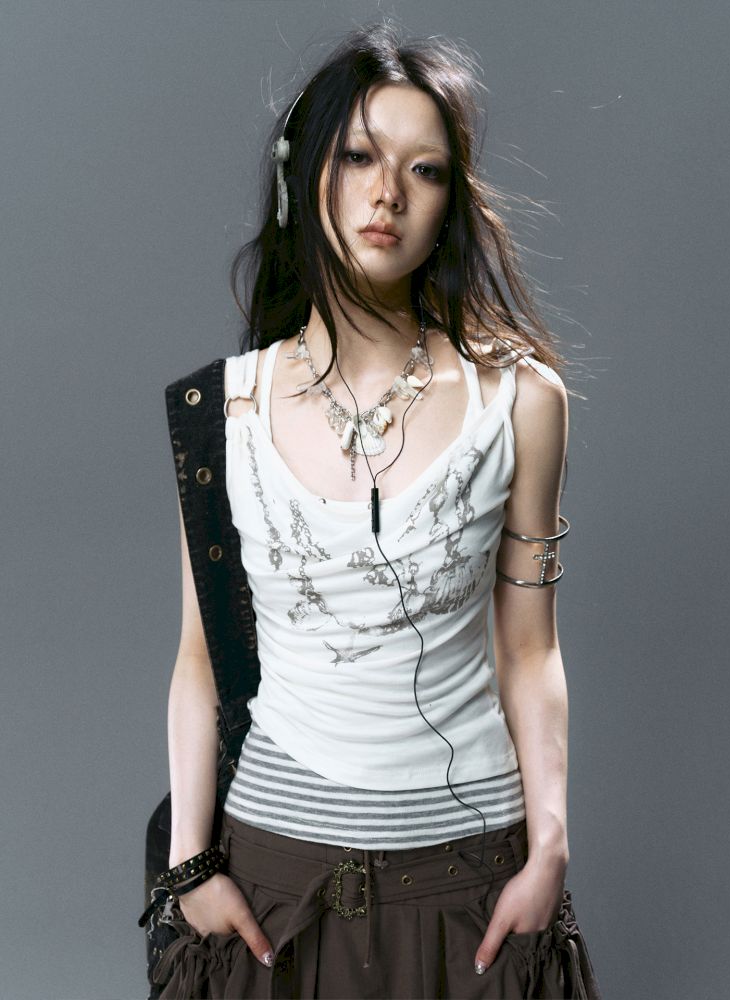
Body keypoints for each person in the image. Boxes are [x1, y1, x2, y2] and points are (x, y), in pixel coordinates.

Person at [149, 21, 601, 1000]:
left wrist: (551, 846)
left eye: (423, 169)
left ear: (451, 206)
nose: (386, 192)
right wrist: (190, 865)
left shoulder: (522, 401)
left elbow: (530, 650)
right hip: (269, 890)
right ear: (301, 177)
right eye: (358, 156)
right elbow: (197, 658)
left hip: (472, 889)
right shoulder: (219, 411)